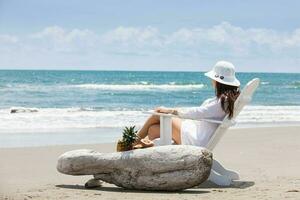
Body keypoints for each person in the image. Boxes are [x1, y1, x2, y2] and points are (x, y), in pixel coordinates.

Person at [133, 61, 241, 149]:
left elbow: (199, 113)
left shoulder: (223, 101)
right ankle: (147, 147)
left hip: (195, 139)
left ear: (218, 80)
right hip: (195, 133)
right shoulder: (226, 99)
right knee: (153, 129)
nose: (211, 80)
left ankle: (133, 141)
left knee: (158, 113)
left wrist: (172, 111)